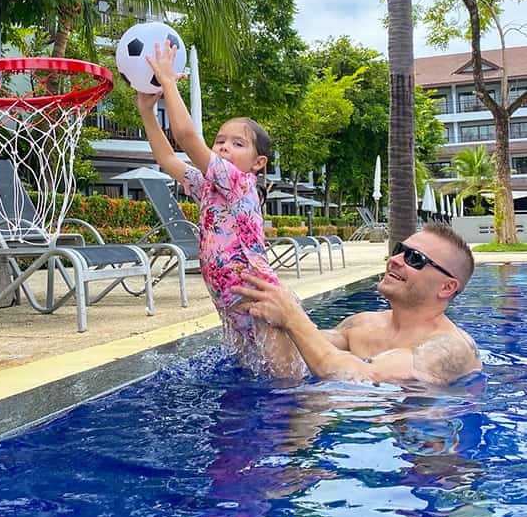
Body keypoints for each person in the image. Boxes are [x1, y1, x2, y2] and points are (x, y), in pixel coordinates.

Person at [136, 39, 303, 378]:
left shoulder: (239, 183)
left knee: (288, 385)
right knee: (252, 378)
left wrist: (168, 82)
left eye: (237, 143)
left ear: (258, 163)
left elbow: (185, 138)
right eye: (220, 141)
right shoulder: (209, 185)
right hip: (230, 304)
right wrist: (146, 112)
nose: (225, 147)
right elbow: (167, 158)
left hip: (259, 303)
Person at [234, 222, 481, 386]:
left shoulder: (451, 348)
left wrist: (293, 317)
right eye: (399, 249)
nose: (394, 260)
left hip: (422, 450)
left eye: (413, 258)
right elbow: (294, 361)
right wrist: (260, 305)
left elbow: (364, 378)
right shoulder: (363, 323)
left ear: (447, 287)